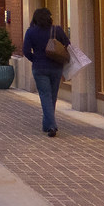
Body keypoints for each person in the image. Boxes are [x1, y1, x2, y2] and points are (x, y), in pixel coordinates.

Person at [22, 7, 70, 137]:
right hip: (56, 67)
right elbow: (68, 44)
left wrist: (35, 60)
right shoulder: (57, 30)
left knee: (45, 96)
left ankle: (50, 125)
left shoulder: (30, 32)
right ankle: (48, 124)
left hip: (39, 68)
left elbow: (26, 51)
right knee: (52, 96)